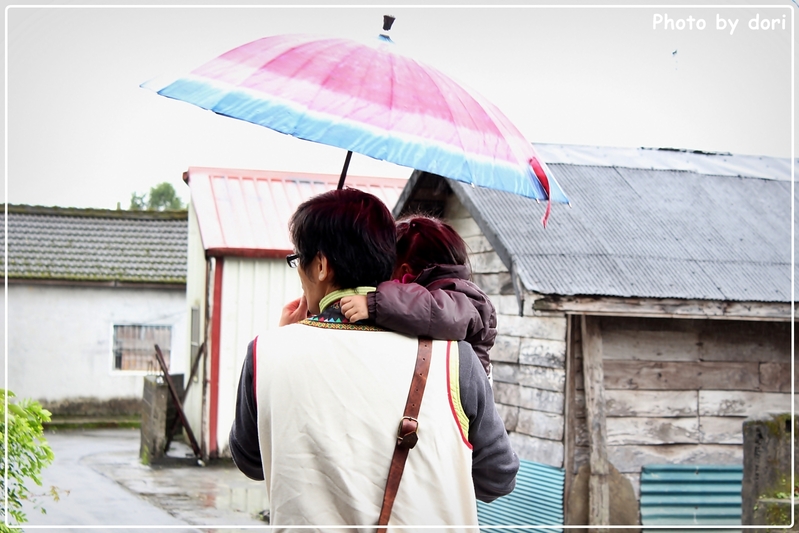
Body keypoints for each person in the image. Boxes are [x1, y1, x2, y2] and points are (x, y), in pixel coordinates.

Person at [229, 189, 518, 530]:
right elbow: (497, 478)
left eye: (298, 260)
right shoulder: (456, 358)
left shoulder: (265, 352)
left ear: (320, 266)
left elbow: (252, 462)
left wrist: (281, 341)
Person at [340, 215, 497, 378]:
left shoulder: (465, 298)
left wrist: (373, 304)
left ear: (405, 272)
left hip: (466, 396)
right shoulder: (453, 291)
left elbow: (436, 312)